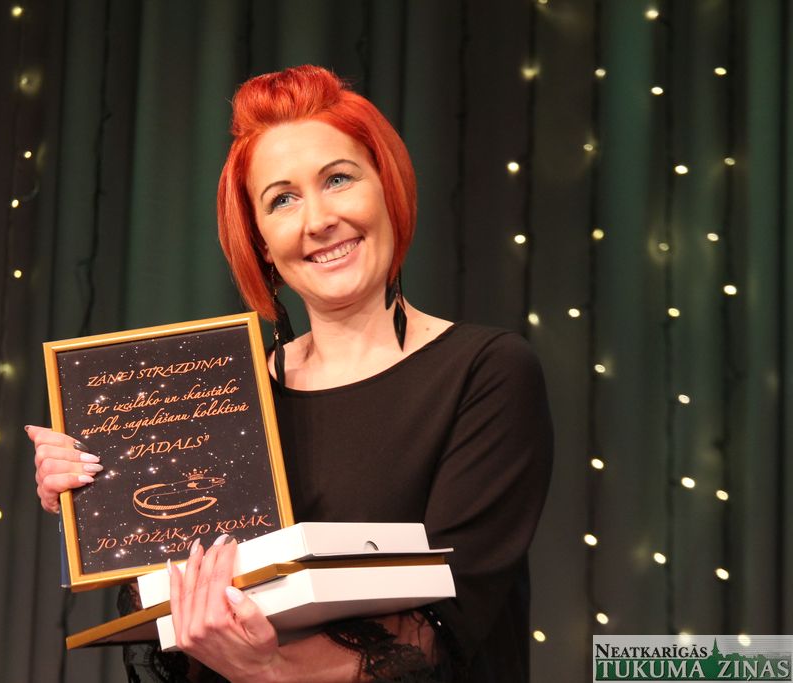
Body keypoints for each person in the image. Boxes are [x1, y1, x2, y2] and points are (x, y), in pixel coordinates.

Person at [29, 65, 553, 682]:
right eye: (282, 199)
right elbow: (173, 604)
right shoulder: (223, 396)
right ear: (260, 241)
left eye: (338, 179)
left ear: (389, 190)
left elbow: (445, 621)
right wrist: (96, 500)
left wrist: (271, 671)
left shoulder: (487, 371)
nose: (318, 220)